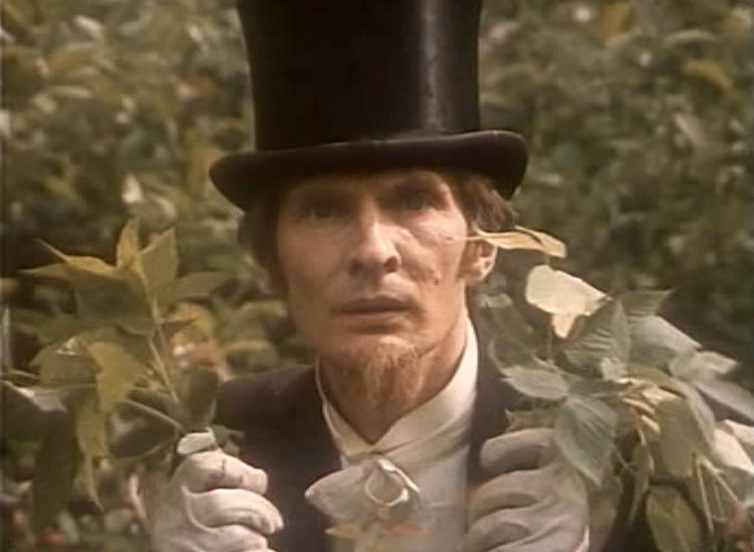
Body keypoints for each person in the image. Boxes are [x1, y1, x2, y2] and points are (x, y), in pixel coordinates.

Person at [148, 1, 752, 552]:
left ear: (481, 248)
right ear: (270, 261)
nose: (373, 250)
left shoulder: (626, 450)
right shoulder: (224, 438)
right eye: (324, 210)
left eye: (413, 201)